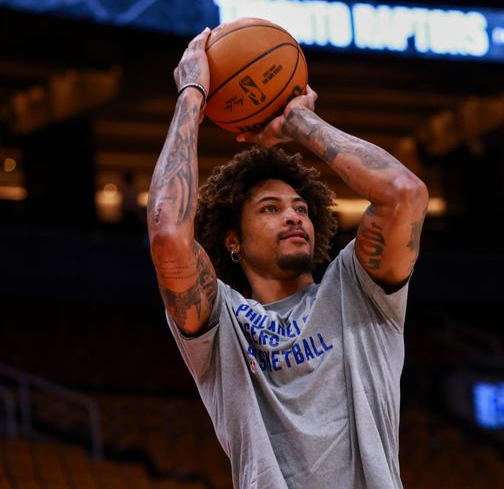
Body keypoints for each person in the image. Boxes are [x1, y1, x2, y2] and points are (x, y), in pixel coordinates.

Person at [146, 27, 428, 489]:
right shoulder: (224, 323)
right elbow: (166, 234)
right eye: (271, 209)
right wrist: (191, 96)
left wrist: (298, 122)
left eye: (300, 208)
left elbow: (405, 194)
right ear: (233, 240)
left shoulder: (357, 290)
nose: (293, 216)